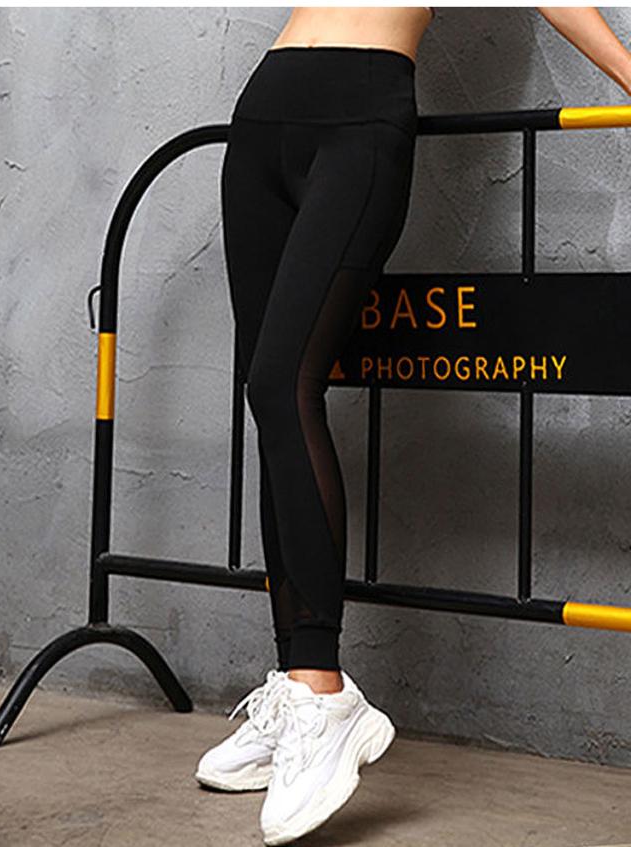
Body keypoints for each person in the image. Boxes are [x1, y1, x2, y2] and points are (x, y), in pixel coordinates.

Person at [195, 7, 631, 845]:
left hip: (362, 113)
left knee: (284, 383)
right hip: (265, 112)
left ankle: (325, 694)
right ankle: (295, 686)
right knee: (265, 395)